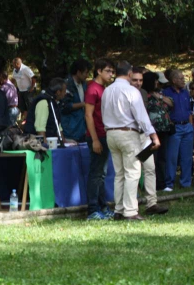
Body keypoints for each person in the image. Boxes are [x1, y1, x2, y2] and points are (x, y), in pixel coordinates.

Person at [102, 61, 160, 221]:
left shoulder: (107, 91)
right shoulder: (131, 91)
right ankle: (130, 211)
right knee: (132, 172)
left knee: (119, 174)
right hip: (128, 133)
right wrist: (153, 135)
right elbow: (141, 116)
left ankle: (119, 209)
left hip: (111, 133)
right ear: (129, 74)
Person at [130, 70, 168, 215]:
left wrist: (152, 135)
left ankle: (152, 203)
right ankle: (132, 205)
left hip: (144, 136)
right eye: (135, 80)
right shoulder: (125, 93)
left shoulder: (144, 93)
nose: (138, 83)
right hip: (131, 137)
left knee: (150, 168)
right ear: (129, 79)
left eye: (140, 80)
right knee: (134, 171)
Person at [84, 58, 115, 220]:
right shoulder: (92, 89)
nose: (111, 74)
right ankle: (92, 209)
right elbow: (88, 115)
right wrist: (95, 139)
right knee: (96, 174)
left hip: (106, 134)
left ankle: (102, 206)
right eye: (108, 71)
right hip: (97, 135)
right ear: (99, 71)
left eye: (112, 71)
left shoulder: (104, 88)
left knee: (101, 173)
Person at [162, 70, 194, 191]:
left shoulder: (186, 92)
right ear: (174, 80)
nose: (183, 80)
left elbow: (189, 111)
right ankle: (169, 183)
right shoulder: (166, 93)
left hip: (187, 126)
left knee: (187, 157)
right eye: (180, 78)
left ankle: (185, 182)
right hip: (175, 127)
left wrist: (191, 126)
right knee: (172, 157)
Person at [143, 72, 175, 191]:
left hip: (164, 130)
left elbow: (172, 104)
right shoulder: (144, 95)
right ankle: (150, 184)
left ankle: (161, 184)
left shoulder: (160, 93)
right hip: (151, 132)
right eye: (155, 81)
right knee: (151, 159)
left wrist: (160, 97)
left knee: (162, 158)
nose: (157, 83)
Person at [61, 59, 90, 142]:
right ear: (78, 72)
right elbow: (64, 106)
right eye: (86, 72)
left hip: (82, 126)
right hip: (70, 127)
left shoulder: (84, 84)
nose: (87, 75)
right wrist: (83, 104)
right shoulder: (66, 85)